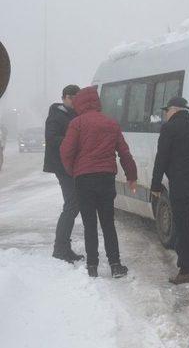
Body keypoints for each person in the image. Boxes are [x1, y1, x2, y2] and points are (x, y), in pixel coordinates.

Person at [60, 86, 137, 278]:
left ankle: (92, 266)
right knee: (108, 223)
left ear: (80, 103)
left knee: (89, 223)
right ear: (96, 102)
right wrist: (131, 176)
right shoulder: (111, 123)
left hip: (84, 179)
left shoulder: (76, 123)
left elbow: (66, 151)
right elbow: (124, 153)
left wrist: (73, 171)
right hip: (105, 178)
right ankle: (115, 264)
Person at [151, 97, 189, 285]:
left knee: (183, 228)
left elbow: (161, 158)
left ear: (173, 110)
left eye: (166, 111)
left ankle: (186, 270)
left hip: (182, 186)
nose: (165, 114)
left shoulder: (169, 129)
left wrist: (155, 185)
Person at [43, 84, 84, 262]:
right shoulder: (56, 115)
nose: (77, 102)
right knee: (72, 205)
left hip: (72, 166)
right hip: (62, 167)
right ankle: (60, 248)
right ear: (66, 97)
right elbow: (51, 139)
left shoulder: (73, 114)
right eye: (74, 98)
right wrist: (72, 140)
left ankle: (63, 246)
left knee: (73, 205)